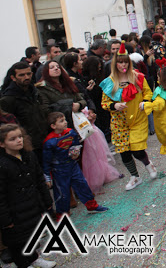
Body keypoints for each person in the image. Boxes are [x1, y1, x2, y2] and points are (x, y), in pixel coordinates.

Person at [100, 43, 155, 191]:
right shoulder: (110, 82)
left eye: (125, 62)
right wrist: (114, 106)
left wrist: (145, 102)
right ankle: (135, 176)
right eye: (120, 62)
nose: (123, 64)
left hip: (137, 117)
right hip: (119, 121)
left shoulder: (138, 77)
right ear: (115, 63)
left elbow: (148, 92)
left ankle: (148, 165)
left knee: (137, 149)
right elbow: (104, 103)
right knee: (124, 152)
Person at [0, 123, 57, 268]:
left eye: (20, 137)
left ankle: (34, 258)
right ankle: (24, 264)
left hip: (32, 204)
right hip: (14, 211)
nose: (19, 140)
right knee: (18, 242)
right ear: (2, 144)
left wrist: (47, 200)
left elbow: (39, 179)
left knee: (32, 234)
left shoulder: (29, 156)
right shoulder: (3, 165)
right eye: (12, 139)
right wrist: (5, 219)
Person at [42, 112, 108, 218]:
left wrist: (76, 153)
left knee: (82, 185)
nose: (65, 122)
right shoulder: (49, 142)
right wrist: (47, 177)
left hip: (73, 165)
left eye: (65, 119)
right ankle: (62, 215)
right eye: (61, 121)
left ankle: (92, 206)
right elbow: (46, 161)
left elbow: (76, 144)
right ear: (53, 126)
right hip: (59, 170)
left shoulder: (71, 132)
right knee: (62, 193)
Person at [0, 62, 49, 165]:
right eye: (21, 75)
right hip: (28, 146)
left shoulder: (34, 91)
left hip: (45, 140)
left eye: (28, 74)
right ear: (13, 77)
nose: (26, 77)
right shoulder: (8, 99)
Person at [36, 61, 87, 128]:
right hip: (59, 125)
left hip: (77, 121)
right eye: (52, 67)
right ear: (46, 71)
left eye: (58, 67)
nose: (56, 68)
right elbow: (46, 109)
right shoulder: (42, 88)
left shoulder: (68, 83)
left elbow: (82, 99)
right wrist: (69, 105)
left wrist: (79, 104)